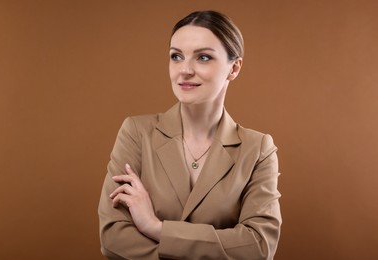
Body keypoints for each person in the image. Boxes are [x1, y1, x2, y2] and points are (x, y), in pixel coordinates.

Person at [98, 10, 282, 260]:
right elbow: (114, 239)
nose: (184, 70)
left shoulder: (257, 148)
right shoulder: (136, 132)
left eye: (203, 57)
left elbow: (258, 247)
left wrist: (156, 227)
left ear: (234, 68)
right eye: (176, 56)